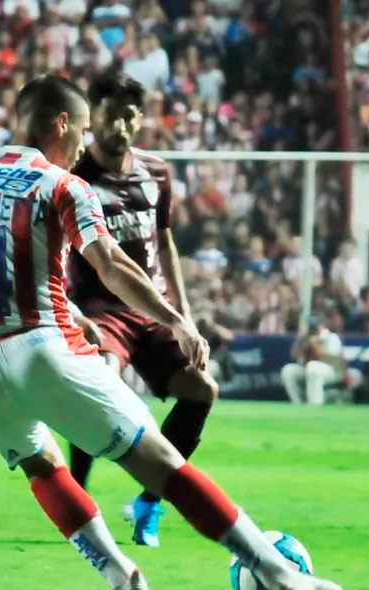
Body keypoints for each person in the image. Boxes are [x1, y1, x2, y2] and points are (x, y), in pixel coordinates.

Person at [0, 74, 341, 590]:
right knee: (162, 465)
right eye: (80, 132)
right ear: (62, 124)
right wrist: (175, 319)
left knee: (44, 466)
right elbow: (111, 266)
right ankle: (283, 578)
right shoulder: (63, 185)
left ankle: (121, 576)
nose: (82, 146)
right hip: (40, 348)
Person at [65, 70, 219, 548]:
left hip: (152, 308)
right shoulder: (73, 177)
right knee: (101, 381)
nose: (122, 126)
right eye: (112, 116)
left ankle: (150, 502)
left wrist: (185, 314)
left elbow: (165, 241)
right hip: (100, 309)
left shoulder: (157, 172)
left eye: (130, 116)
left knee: (201, 389)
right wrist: (71, 310)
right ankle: (77, 499)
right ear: (94, 121)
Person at [280, 317, 346, 405]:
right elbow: (294, 355)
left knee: (313, 367)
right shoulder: (306, 338)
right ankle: (298, 404)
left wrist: (315, 344)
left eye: (315, 326)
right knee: (288, 370)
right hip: (308, 370)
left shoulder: (331, 337)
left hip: (333, 371)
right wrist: (299, 340)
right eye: (311, 327)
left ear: (321, 326)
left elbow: (330, 359)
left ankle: (314, 405)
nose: (313, 329)